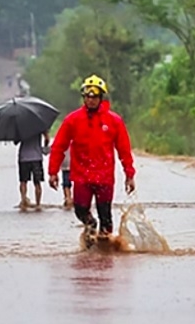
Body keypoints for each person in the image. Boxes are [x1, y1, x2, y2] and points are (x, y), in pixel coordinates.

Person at [48, 74, 136, 242]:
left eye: (94, 96)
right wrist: (53, 172)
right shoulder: (72, 120)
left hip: (104, 177)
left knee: (106, 217)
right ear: (83, 97)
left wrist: (129, 175)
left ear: (101, 97)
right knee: (80, 209)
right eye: (88, 96)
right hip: (81, 176)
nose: (91, 99)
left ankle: (105, 254)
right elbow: (59, 147)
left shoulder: (114, 121)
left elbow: (124, 150)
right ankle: (90, 226)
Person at [17, 131, 49, 210]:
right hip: (36, 157)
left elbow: (16, 141)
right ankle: (38, 204)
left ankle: (23, 200)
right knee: (37, 182)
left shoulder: (21, 127)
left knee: (23, 181)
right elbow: (47, 138)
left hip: (23, 157)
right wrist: (45, 146)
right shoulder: (39, 125)